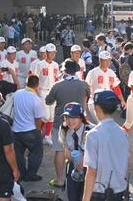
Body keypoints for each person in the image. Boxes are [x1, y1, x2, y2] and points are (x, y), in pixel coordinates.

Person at [46, 59, 90, 189]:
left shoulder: (58, 85)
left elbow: (48, 101)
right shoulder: (84, 84)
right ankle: (81, 177)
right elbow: (88, 96)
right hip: (80, 123)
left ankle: (60, 180)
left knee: (60, 151)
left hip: (62, 122)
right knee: (81, 150)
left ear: (64, 70)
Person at [82, 90, 129, 201]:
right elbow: (126, 165)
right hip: (119, 192)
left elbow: (91, 171)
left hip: (100, 193)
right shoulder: (123, 133)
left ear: (97, 108)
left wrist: (85, 199)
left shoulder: (93, 135)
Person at [12, 75, 45, 182]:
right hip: (30, 130)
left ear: (27, 83)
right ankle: (31, 174)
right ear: (37, 85)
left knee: (19, 154)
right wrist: (38, 131)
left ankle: (21, 174)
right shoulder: (37, 99)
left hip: (16, 130)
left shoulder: (17, 93)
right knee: (36, 152)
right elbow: (38, 119)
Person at [60, 102, 92, 201]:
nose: (70, 121)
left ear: (81, 118)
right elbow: (65, 148)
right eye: (67, 117)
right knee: (72, 195)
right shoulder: (64, 129)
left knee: (86, 196)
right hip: (73, 165)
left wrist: (84, 162)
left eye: (74, 117)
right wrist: (68, 155)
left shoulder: (91, 131)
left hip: (91, 169)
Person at [85, 51, 126, 123]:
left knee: (104, 124)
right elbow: (86, 88)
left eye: (109, 60)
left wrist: (122, 100)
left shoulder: (111, 72)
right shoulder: (92, 72)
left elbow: (116, 87)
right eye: (105, 60)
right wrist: (84, 104)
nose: (108, 62)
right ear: (100, 60)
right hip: (94, 102)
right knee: (100, 123)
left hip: (106, 102)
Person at [31, 43, 60, 145]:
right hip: (42, 91)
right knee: (46, 116)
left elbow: (57, 78)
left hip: (52, 91)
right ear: (46, 53)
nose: (52, 54)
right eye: (50, 52)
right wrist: (36, 91)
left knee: (52, 115)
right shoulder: (40, 64)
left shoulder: (56, 65)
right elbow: (34, 78)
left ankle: (47, 136)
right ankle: (37, 133)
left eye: (53, 53)